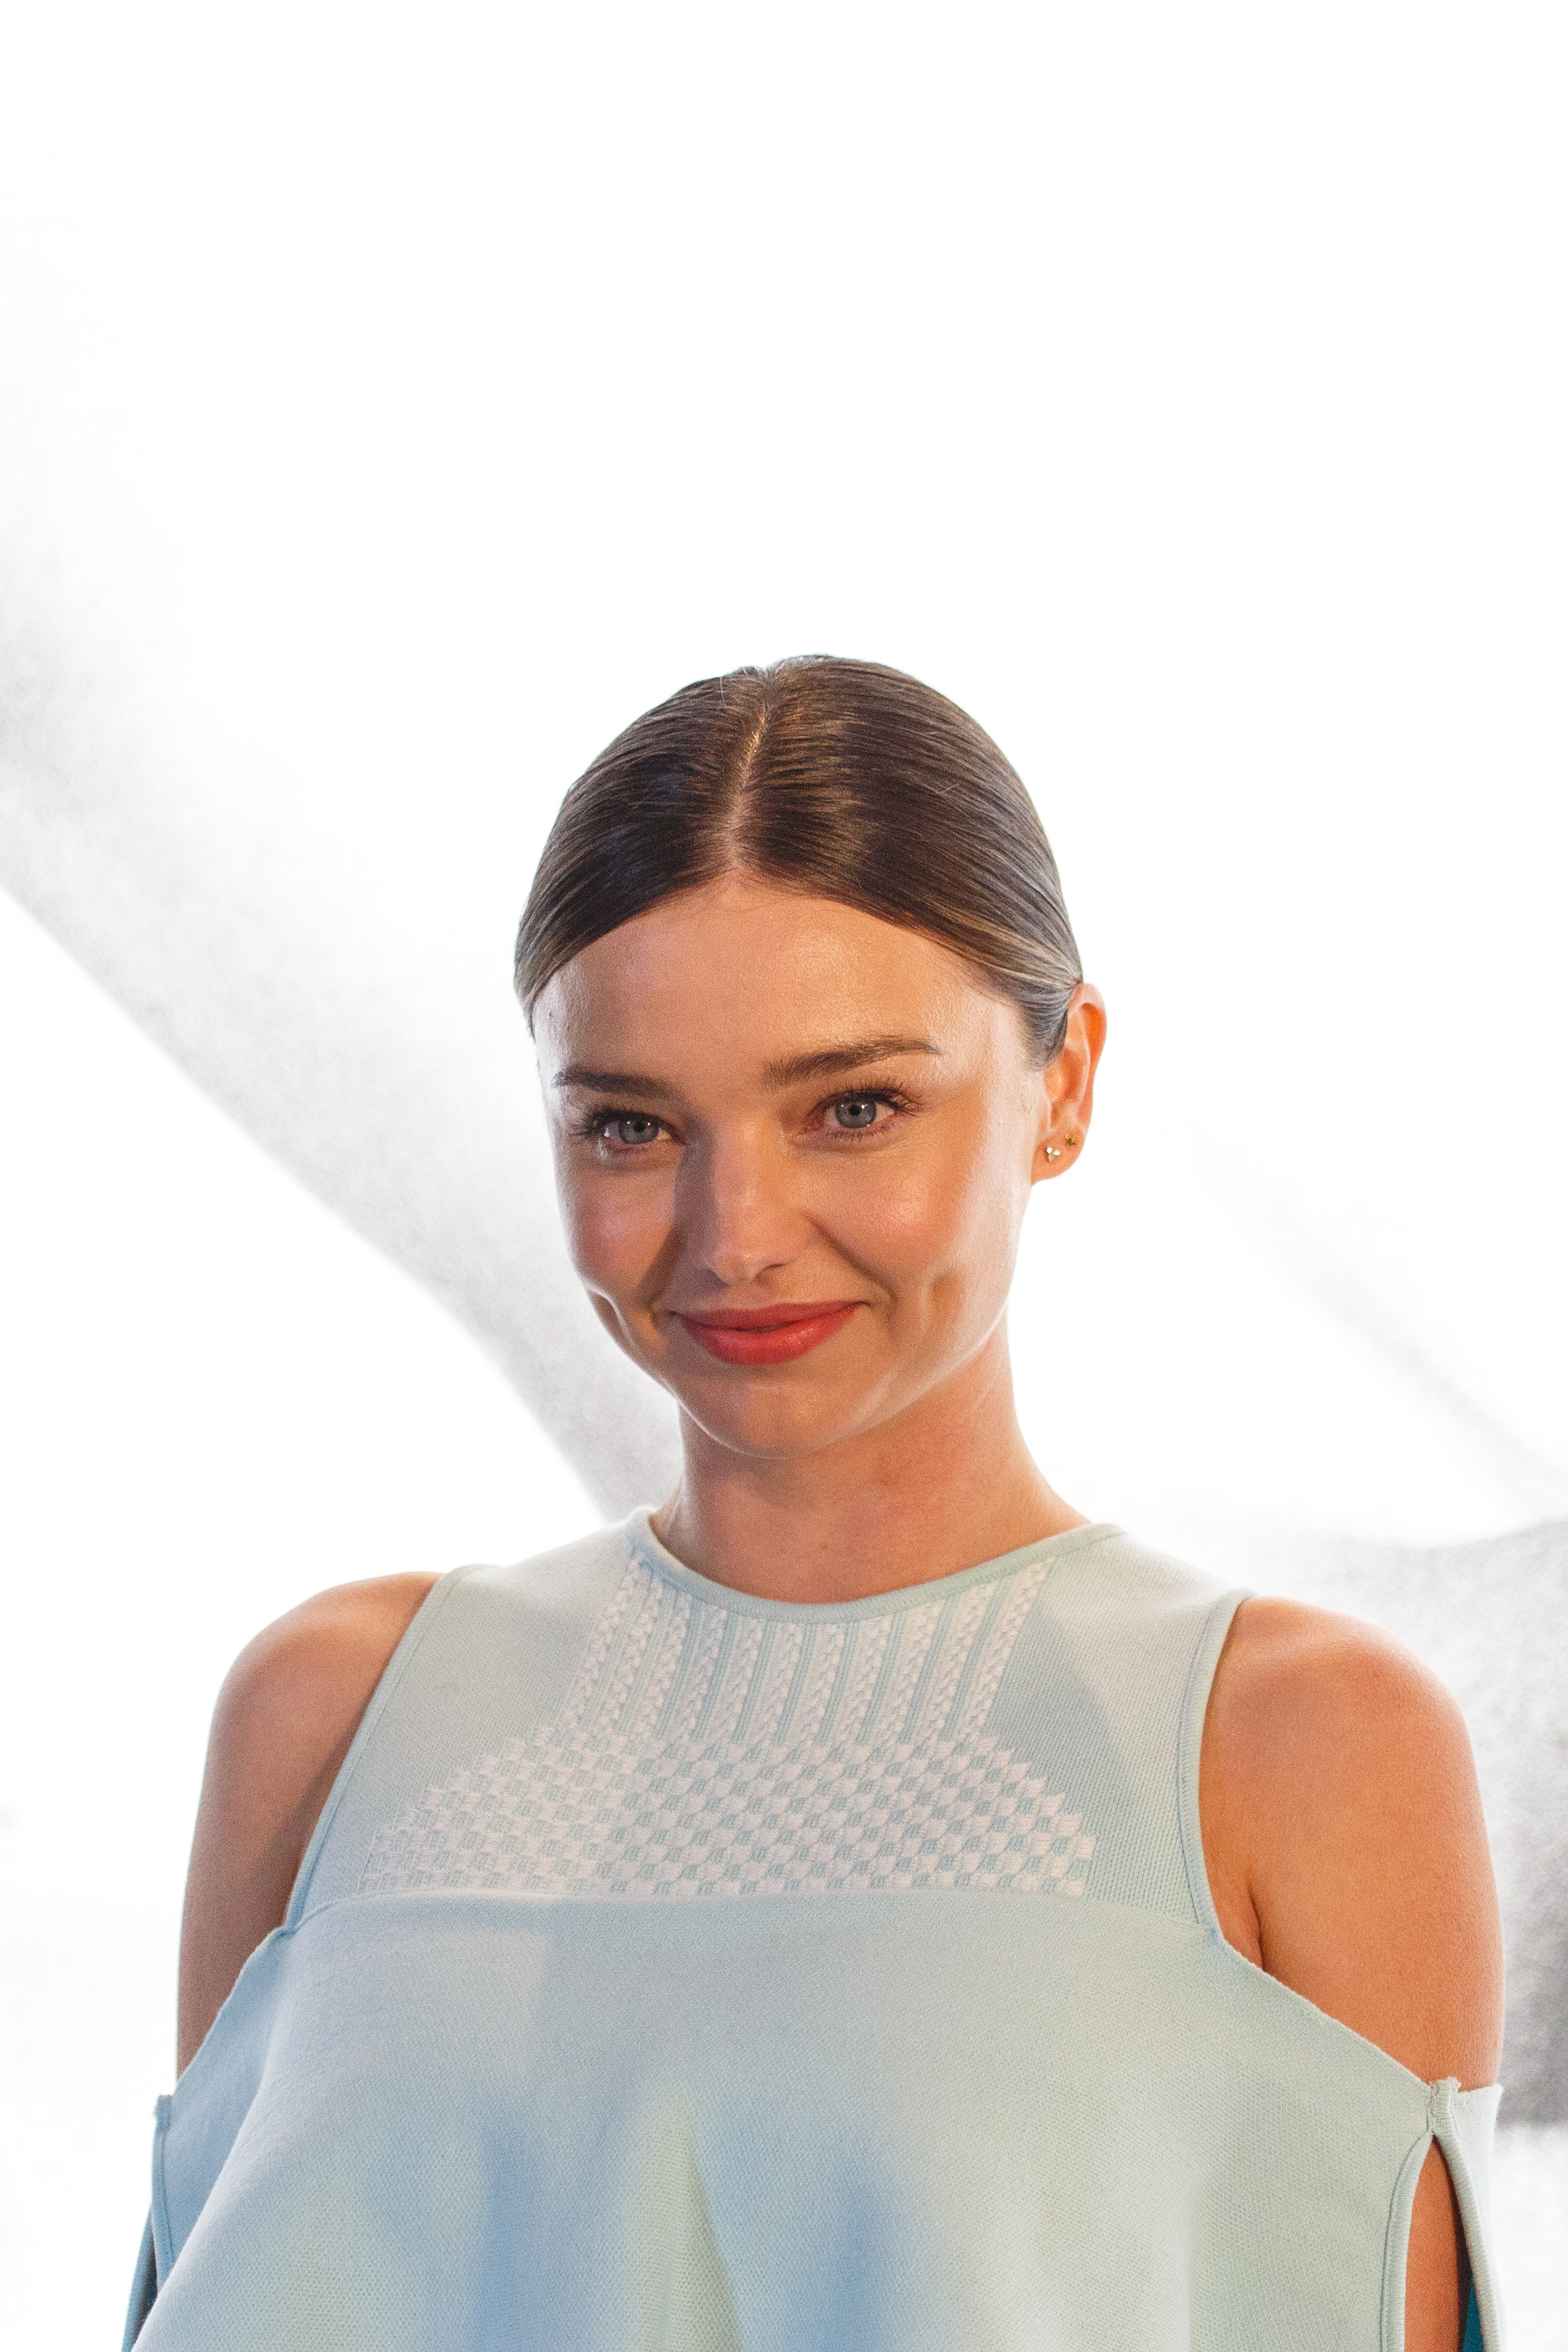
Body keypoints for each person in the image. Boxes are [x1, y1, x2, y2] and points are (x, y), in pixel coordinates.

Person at [126, 657, 1505, 2351]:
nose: (738, 1234)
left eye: (854, 1107)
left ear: (1065, 1082)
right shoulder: (337, 1715)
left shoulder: (1294, 1747)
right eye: (632, 1127)